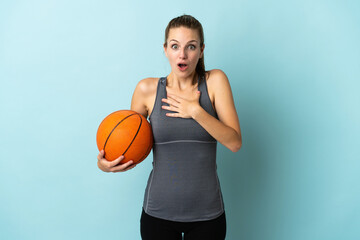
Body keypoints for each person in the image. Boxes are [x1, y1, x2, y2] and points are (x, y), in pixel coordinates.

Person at [97, 14, 242, 240]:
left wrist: (195, 112)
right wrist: (105, 163)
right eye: (175, 46)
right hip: (157, 216)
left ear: (201, 50)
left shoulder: (215, 82)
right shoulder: (147, 90)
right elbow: (129, 146)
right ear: (165, 49)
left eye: (191, 46)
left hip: (208, 216)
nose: (182, 54)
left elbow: (234, 143)